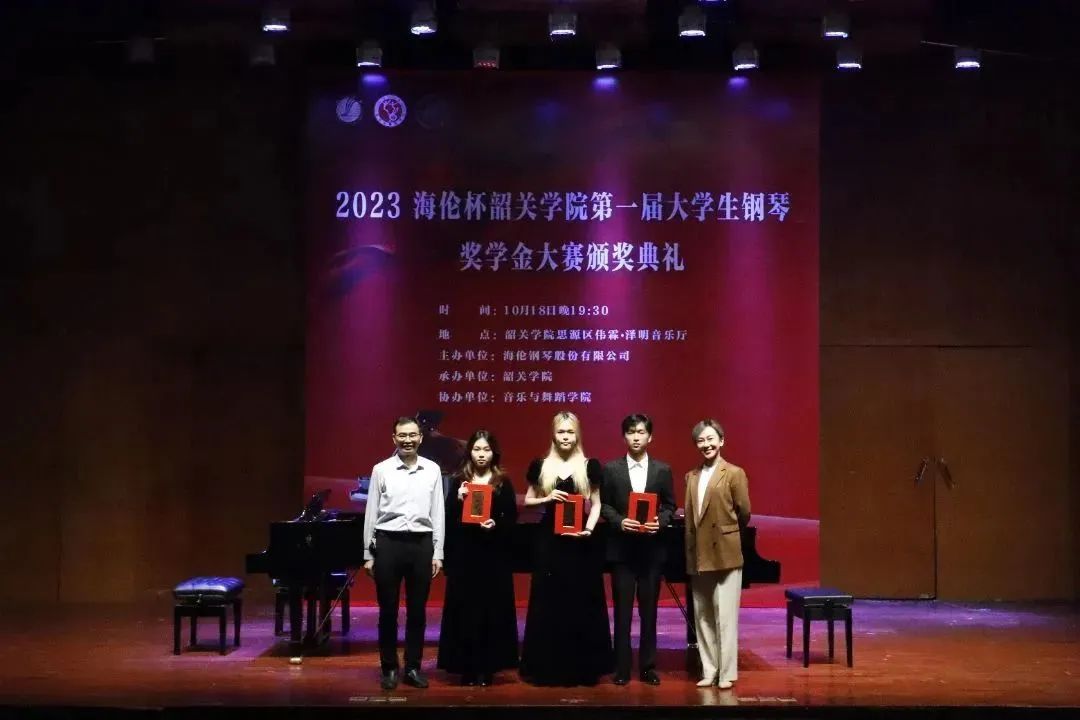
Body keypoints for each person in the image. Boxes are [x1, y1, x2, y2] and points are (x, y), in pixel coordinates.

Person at [519, 411, 613, 686]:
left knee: (581, 602)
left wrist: (590, 529)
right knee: (549, 603)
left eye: (570, 432)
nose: (565, 437)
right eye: (561, 432)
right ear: (553, 434)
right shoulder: (541, 466)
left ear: (577, 435)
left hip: (580, 541)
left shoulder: (589, 466)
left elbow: (596, 504)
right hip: (549, 542)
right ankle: (548, 668)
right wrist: (548, 498)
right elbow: (528, 501)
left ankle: (583, 669)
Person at [363, 416, 446, 690]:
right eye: (402, 435)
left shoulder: (432, 469)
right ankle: (389, 668)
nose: (407, 440)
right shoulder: (381, 470)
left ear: (420, 438)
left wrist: (438, 551)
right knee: (388, 610)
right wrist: (368, 553)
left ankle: (412, 667)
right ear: (394, 438)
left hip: (421, 544)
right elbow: (371, 512)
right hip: (388, 542)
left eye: (412, 435)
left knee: (417, 612)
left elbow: (438, 512)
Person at [437, 430, 520, 686]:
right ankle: (466, 668)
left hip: (493, 556)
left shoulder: (502, 482)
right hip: (466, 556)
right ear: (469, 452)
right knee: (465, 611)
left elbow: (511, 519)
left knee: (491, 611)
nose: (481, 455)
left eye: (486, 450)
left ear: (493, 453)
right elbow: (447, 519)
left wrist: (496, 523)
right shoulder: (459, 481)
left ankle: (488, 667)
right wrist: (459, 499)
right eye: (476, 449)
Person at [600, 413, 677, 686]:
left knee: (649, 612)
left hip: (651, 552)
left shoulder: (662, 470)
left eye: (641, 432)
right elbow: (604, 505)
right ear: (624, 437)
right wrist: (620, 521)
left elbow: (670, 505)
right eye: (631, 432)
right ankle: (621, 668)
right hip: (622, 552)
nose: (636, 437)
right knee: (622, 613)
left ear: (650, 437)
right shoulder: (611, 469)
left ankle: (647, 667)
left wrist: (661, 521)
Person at [683, 420, 751, 690]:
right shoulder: (691, 476)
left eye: (710, 438)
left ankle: (726, 672)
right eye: (700, 440)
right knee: (702, 616)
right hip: (699, 554)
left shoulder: (734, 473)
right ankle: (709, 669)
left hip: (725, 552)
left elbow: (744, 512)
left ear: (721, 440)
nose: (706, 444)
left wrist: (726, 535)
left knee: (725, 617)